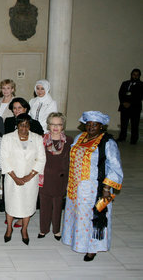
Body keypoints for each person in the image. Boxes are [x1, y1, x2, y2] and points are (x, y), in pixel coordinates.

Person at [62, 111, 123, 262]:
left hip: (94, 188)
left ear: (101, 126)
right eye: (88, 124)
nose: (91, 127)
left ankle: (92, 248)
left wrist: (107, 188)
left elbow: (115, 167)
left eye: (94, 124)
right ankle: (77, 241)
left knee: (94, 216)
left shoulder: (107, 142)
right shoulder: (79, 138)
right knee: (77, 215)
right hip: (76, 185)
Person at [0, 114, 46, 245]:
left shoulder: (37, 138)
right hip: (12, 178)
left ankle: (24, 230)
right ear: (17, 125)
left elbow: (41, 158)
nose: (24, 128)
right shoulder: (8, 138)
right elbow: (4, 158)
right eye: (21, 125)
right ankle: (9, 228)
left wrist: (29, 176)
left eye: (27, 125)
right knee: (11, 204)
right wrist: (15, 177)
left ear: (30, 126)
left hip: (30, 179)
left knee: (28, 204)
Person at [38, 112, 72, 241]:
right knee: (44, 205)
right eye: (53, 124)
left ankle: (57, 230)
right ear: (48, 125)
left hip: (60, 178)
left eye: (58, 124)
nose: (55, 127)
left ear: (62, 126)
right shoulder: (42, 139)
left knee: (58, 205)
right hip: (45, 177)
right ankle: (43, 229)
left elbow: (71, 161)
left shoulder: (69, 140)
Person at [117, 68, 142, 144]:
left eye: (137, 75)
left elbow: (140, 96)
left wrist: (130, 103)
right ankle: (122, 137)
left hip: (135, 107)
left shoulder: (141, 85)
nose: (135, 76)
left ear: (139, 76)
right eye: (134, 74)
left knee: (134, 124)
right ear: (131, 75)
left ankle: (134, 140)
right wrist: (123, 102)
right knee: (124, 124)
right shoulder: (125, 83)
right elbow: (120, 93)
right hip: (124, 107)